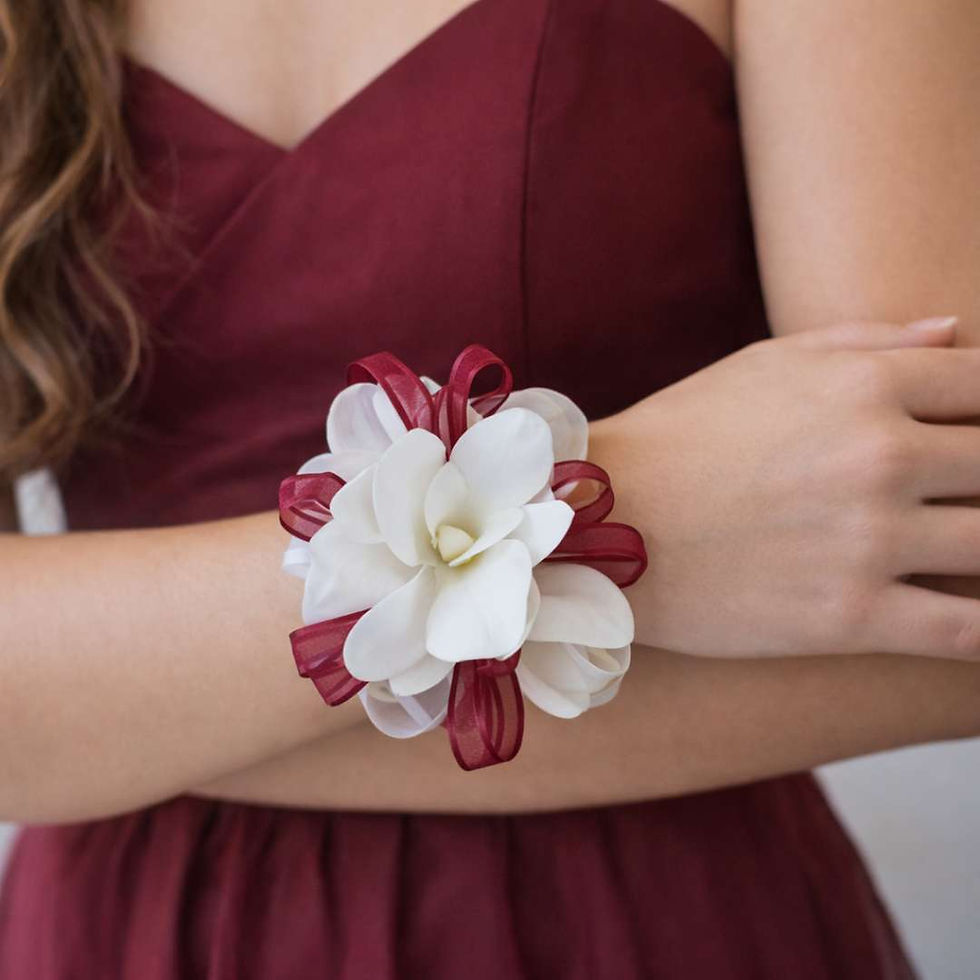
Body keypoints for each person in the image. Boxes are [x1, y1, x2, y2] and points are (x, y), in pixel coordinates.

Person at [0, 0, 978, 976]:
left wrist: (106, 717)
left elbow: (952, 589)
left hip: (641, 924)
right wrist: (638, 515)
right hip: (133, 936)